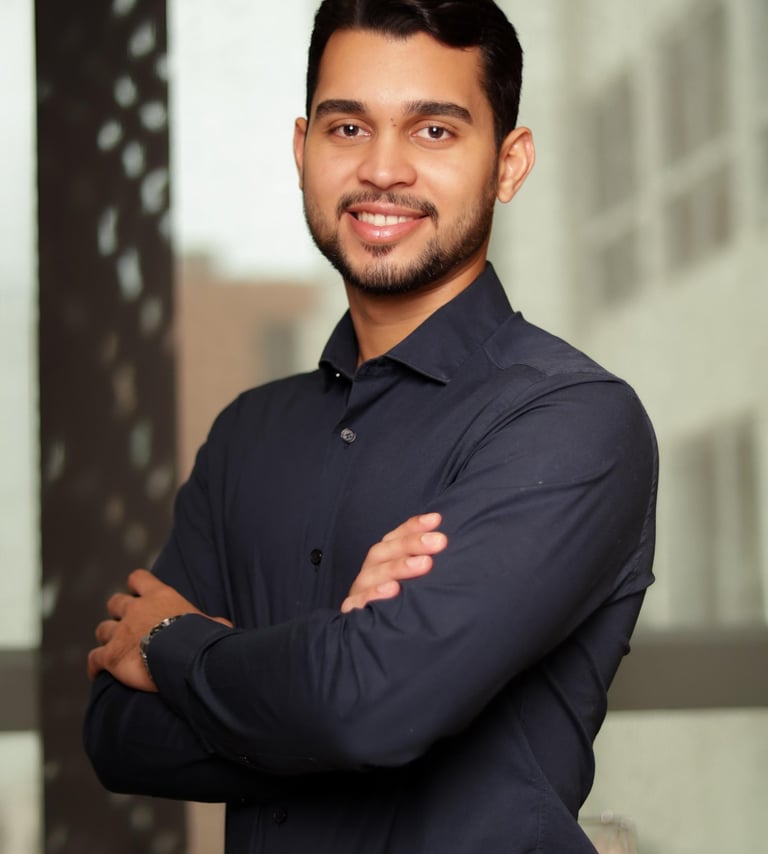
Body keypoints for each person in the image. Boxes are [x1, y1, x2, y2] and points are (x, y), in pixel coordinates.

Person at [84, 1, 658, 852]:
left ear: (508, 164)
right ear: (302, 150)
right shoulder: (248, 433)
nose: (383, 169)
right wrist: (333, 678)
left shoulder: (573, 421)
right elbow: (118, 734)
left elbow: (367, 711)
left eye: (434, 131)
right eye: (347, 127)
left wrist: (176, 643)